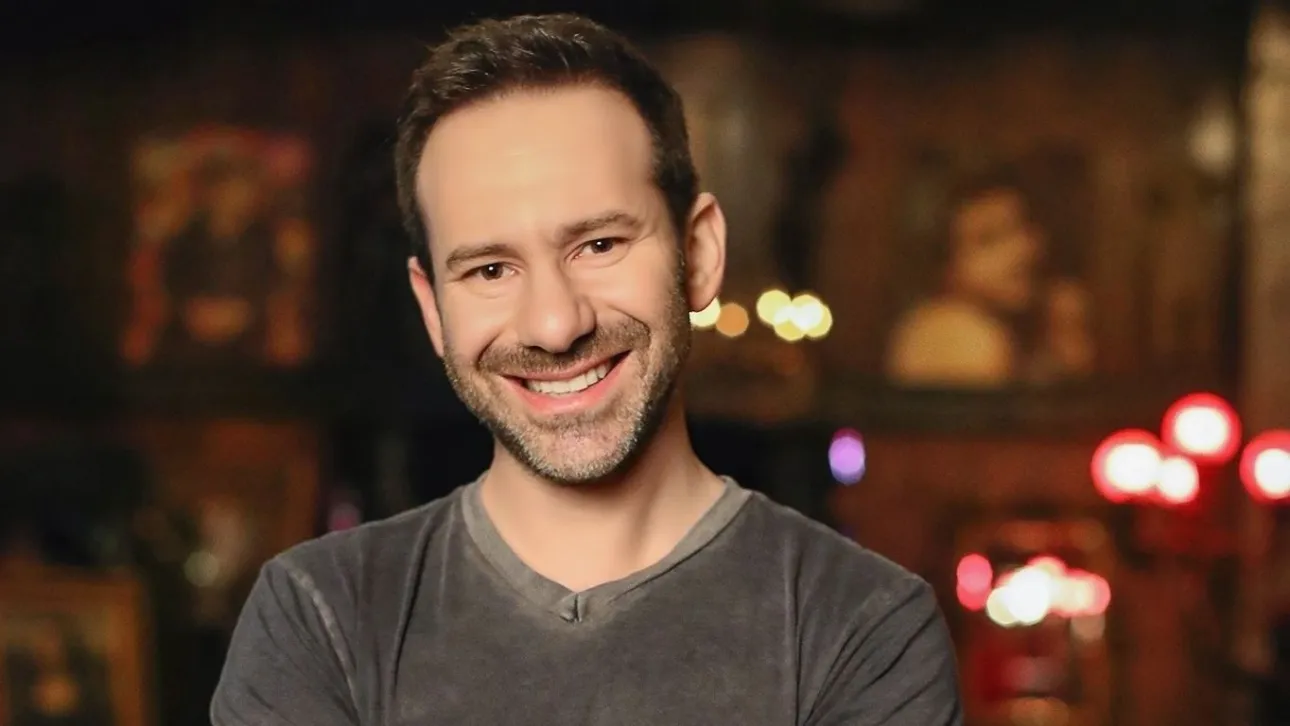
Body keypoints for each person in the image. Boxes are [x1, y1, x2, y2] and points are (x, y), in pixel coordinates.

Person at [211, 13, 963, 725]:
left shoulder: (864, 627)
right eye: (490, 269)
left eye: (599, 245)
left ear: (699, 254)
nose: (554, 324)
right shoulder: (319, 618)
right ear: (433, 308)